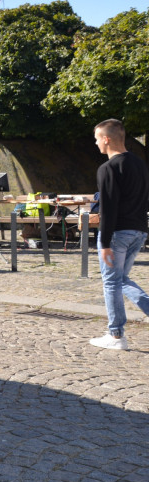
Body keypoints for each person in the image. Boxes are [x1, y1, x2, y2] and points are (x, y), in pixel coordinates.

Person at [88, 119, 149, 350]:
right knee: (120, 279)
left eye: (96, 139)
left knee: (111, 283)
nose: (95, 144)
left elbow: (109, 207)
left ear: (107, 139)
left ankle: (116, 336)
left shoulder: (108, 168)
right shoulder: (140, 164)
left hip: (117, 233)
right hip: (139, 230)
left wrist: (103, 243)